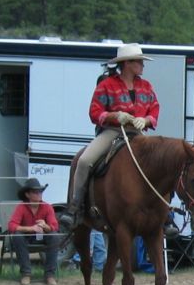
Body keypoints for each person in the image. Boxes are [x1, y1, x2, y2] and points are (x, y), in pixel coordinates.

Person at [61, 43, 160, 228]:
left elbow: (154, 109)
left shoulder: (146, 86)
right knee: (84, 161)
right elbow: (94, 112)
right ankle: (75, 207)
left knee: (159, 161)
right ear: (127, 63)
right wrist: (115, 116)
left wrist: (146, 120)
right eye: (139, 62)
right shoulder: (106, 85)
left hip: (137, 132)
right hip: (112, 131)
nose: (142, 65)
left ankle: (163, 213)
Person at [8, 178, 59, 285]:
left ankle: (50, 275)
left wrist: (46, 226)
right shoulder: (21, 207)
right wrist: (31, 228)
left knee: (54, 236)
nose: (39, 194)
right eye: (35, 192)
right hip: (26, 237)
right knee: (17, 236)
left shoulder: (47, 207)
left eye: (40, 191)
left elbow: (54, 226)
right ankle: (26, 274)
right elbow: (11, 226)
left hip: (42, 236)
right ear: (27, 194)